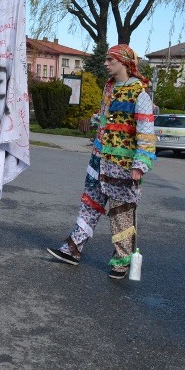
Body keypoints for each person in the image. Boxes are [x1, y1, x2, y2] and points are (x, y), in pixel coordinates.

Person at [47, 44, 156, 279]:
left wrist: (140, 165)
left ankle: (121, 261)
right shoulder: (108, 88)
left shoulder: (140, 94)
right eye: (106, 59)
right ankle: (73, 249)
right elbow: (109, 119)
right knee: (90, 205)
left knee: (121, 213)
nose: (106, 63)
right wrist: (100, 120)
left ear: (125, 63)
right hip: (98, 161)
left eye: (110, 60)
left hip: (123, 166)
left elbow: (146, 132)